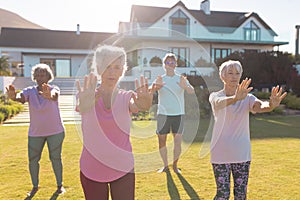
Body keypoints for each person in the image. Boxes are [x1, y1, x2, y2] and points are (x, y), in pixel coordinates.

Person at [76, 45, 153, 200]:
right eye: (107, 67)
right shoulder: (87, 95)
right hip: (92, 169)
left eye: (117, 67)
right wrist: (85, 104)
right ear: (98, 68)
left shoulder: (127, 97)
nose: (112, 72)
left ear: (122, 70)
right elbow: (83, 106)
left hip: (123, 168)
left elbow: (136, 105)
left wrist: (144, 105)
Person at [209, 60, 287, 199]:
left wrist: (271, 105)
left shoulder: (248, 98)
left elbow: (259, 106)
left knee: (240, 195)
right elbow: (219, 104)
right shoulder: (216, 96)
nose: (234, 76)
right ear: (222, 76)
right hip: (220, 153)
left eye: (237, 73)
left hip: (241, 153)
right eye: (230, 73)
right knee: (223, 194)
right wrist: (235, 98)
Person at [6, 64, 66, 197]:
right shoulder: (29, 91)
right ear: (34, 77)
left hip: (55, 132)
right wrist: (13, 97)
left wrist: (49, 95)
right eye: (37, 75)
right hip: (35, 133)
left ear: (48, 76)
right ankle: (34, 186)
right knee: (33, 160)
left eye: (42, 75)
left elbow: (54, 95)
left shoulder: (54, 89)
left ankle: (60, 186)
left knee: (55, 158)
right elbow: (21, 98)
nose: (40, 77)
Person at [152, 53, 194, 174]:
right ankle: (165, 166)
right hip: (163, 115)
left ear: (176, 64)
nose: (170, 64)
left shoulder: (180, 78)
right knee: (162, 141)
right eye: (168, 62)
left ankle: (175, 166)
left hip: (178, 114)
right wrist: (156, 87)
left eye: (172, 62)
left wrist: (185, 86)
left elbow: (191, 91)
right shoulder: (160, 79)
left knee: (177, 142)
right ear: (164, 65)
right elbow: (151, 90)